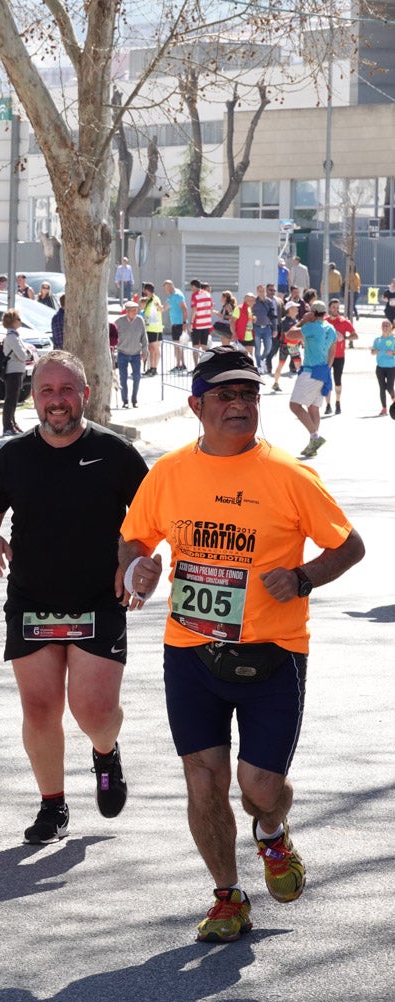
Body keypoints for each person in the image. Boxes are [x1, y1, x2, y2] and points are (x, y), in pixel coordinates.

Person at [118, 346, 365, 943]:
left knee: (258, 789)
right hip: (189, 653)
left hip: (273, 653)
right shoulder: (169, 474)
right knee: (203, 780)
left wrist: (304, 577)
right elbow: (133, 540)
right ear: (196, 405)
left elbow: (349, 546)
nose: (240, 405)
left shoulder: (289, 475)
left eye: (250, 395)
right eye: (226, 396)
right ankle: (227, 897)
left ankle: (273, 834)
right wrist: (136, 572)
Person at [0, 350, 148, 844]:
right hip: (32, 600)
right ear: (33, 398)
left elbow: (153, 518)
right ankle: (52, 806)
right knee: (40, 709)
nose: (57, 401)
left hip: (98, 597)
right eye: (46, 391)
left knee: (93, 712)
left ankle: (105, 752)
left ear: (85, 394)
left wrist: (133, 561)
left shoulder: (115, 452)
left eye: (66, 390)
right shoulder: (15, 456)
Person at [288, 300, 337, 458]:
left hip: (310, 371)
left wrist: (303, 320)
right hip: (323, 371)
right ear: (325, 313)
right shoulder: (331, 328)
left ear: (313, 313)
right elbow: (332, 352)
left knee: (294, 405)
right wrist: (327, 369)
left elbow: (289, 335)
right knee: (313, 408)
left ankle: (315, 437)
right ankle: (312, 445)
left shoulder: (311, 326)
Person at [1, 308, 32, 436]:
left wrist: (26, 353)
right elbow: (23, 355)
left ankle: (13, 423)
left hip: (17, 370)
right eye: (18, 319)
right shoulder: (11, 337)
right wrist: (27, 354)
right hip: (12, 371)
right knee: (10, 399)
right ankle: (7, 426)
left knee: (14, 399)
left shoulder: (15, 336)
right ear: (12, 321)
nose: (20, 321)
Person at [325, 298, 358, 415]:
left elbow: (355, 336)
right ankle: (327, 405)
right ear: (329, 308)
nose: (336, 310)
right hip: (326, 356)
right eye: (334, 307)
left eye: (338, 307)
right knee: (326, 380)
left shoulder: (344, 322)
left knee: (337, 380)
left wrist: (345, 338)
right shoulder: (324, 321)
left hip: (339, 356)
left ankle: (338, 403)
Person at [115, 300, 149, 408]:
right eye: (133, 310)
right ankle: (125, 401)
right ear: (127, 311)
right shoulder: (119, 321)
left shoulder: (140, 320)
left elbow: (144, 337)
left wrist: (145, 351)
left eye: (136, 310)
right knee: (123, 378)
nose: (135, 312)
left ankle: (134, 399)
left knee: (137, 377)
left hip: (135, 353)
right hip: (122, 353)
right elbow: (113, 336)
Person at [271, 300, 303, 393]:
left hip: (294, 345)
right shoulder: (285, 321)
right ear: (290, 309)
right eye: (295, 308)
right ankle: (275, 383)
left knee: (299, 366)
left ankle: (301, 385)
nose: (297, 309)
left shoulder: (295, 320)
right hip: (286, 345)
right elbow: (286, 334)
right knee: (281, 365)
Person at [162, 280, 189, 371]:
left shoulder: (177, 295)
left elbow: (185, 309)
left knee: (178, 345)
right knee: (177, 345)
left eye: (166, 288)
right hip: (175, 324)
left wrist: (184, 323)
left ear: (170, 287)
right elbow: (163, 308)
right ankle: (181, 365)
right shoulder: (171, 296)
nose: (165, 290)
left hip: (179, 324)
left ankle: (179, 365)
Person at [370, 319, 395, 415]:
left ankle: (393, 396)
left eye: (387, 325)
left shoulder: (393, 340)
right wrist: (374, 352)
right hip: (380, 367)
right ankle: (384, 408)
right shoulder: (377, 340)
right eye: (383, 325)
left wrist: (392, 353)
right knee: (382, 387)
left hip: (391, 367)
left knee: (389, 387)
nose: (385, 327)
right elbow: (372, 351)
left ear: (391, 328)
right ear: (381, 327)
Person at [250, 284, 276, 375]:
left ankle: (261, 359)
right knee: (257, 349)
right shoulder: (254, 302)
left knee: (268, 348)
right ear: (257, 292)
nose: (261, 293)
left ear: (265, 291)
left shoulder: (269, 302)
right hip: (257, 327)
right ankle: (259, 366)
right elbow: (249, 312)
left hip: (267, 328)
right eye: (259, 291)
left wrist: (275, 329)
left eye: (263, 291)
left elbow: (273, 316)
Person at [140, 282, 163, 376]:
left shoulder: (155, 299)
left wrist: (159, 307)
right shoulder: (148, 300)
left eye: (144, 290)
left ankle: (154, 368)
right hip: (149, 328)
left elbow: (160, 308)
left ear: (147, 290)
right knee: (150, 348)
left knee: (155, 348)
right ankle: (151, 367)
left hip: (155, 328)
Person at [189, 279, 214, 362]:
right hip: (206, 324)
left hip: (197, 324)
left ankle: (196, 366)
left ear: (193, 286)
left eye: (191, 287)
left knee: (195, 347)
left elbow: (194, 310)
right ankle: (209, 359)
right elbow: (211, 309)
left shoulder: (195, 295)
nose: (191, 289)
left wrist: (191, 323)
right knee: (204, 345)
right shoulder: (207, 294)